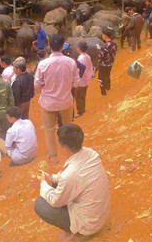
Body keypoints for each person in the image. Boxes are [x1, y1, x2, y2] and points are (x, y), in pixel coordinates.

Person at [35, 124, 111, 240]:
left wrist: (43, 184)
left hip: (89, 225)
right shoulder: (91, 153)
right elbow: (72, 177)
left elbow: (55, 201)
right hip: (99, 215)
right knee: (56, 185)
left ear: (65, 149)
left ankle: (80, 234)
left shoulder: (70, 174)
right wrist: (52, 179)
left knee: (40, 204)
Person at [34, 34, 79, 164]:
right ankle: (70, 154)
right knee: (68, 128)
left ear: (49, 45)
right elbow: (76, 84)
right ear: (62, 46)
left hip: (48, 103)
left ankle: (53, 156)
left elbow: (37, 86)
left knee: (49, 130)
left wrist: (47, 88)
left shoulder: (43, 64)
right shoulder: (71, 62)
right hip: (66, 102)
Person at [72, 42, 93, 118]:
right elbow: (90, 67)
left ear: (78, 49)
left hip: (81, 80)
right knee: (83, 95)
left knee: (78, 97)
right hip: (86, 79)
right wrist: (88, 77)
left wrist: (78, 79)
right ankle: (83, 109)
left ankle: (80, 111)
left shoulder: (80, 58)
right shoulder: (87, 56)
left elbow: (80, 70)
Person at [96, 32, 117, 96]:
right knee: (107, 75)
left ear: (105, 35)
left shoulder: (104, 46)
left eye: (103, 35)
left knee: (101, 78)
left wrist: (99, 50)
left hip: (103, 65)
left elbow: (101, 56)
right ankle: (108, 87)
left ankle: (103, 93)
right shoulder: (114, 44)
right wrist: (101, 48)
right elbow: (109, 51)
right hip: (110, 63)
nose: (102, 36)